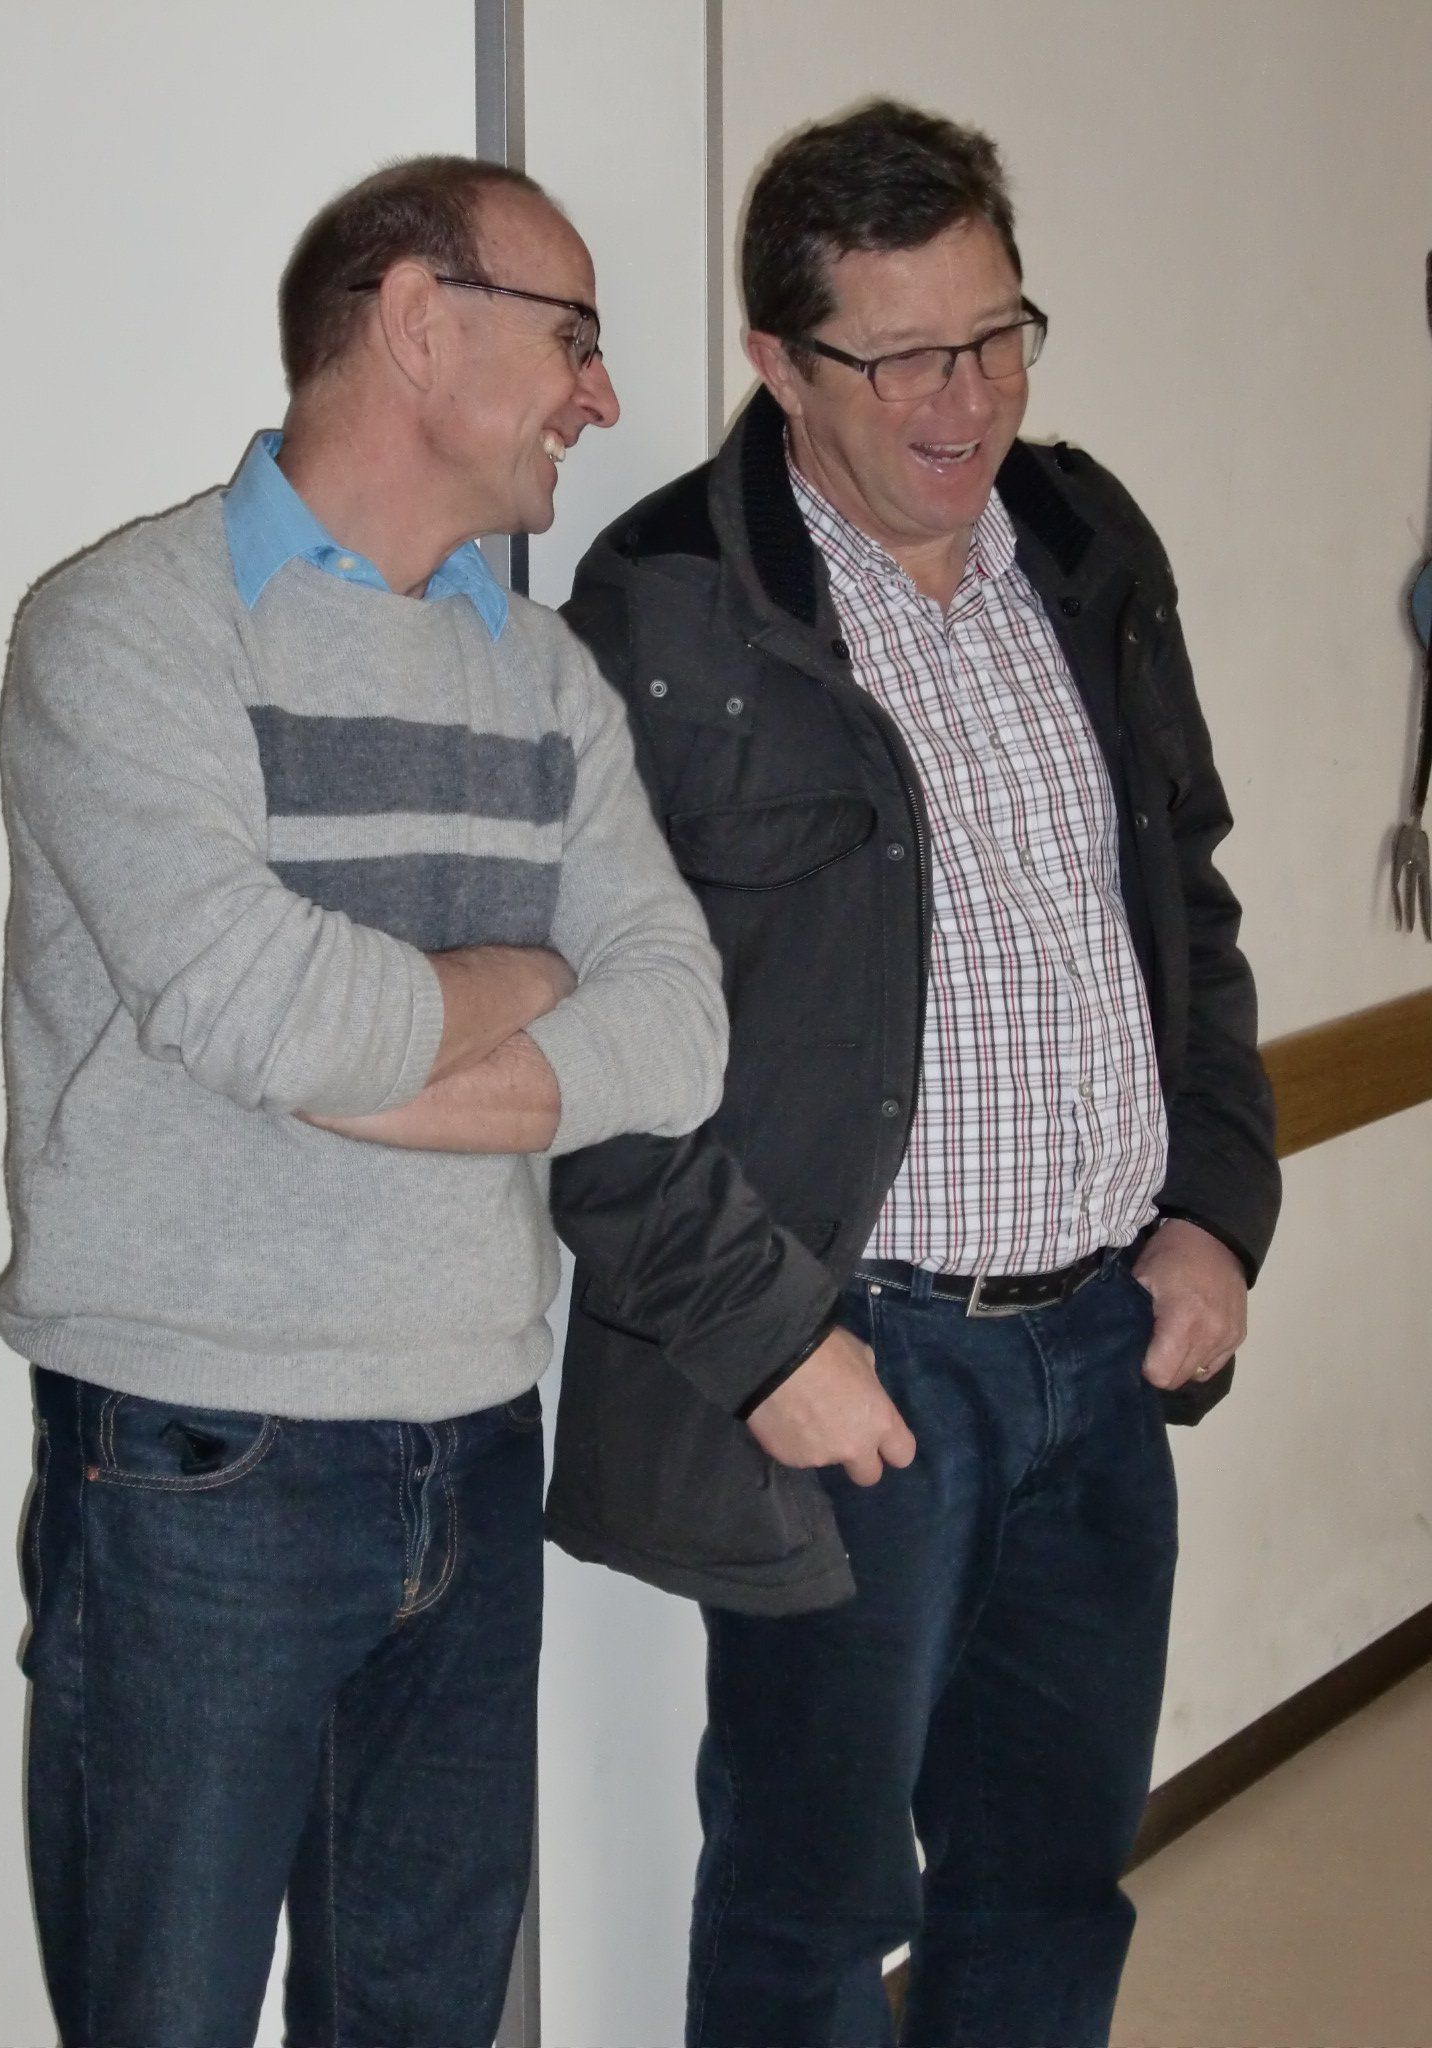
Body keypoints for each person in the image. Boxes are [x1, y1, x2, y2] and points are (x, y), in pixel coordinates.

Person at [549, 101, 1280, 2048]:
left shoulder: (1088, 543)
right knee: (810, 1915)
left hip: (1101, 1354)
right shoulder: (666, 605)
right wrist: (770, 1342)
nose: (968, 403)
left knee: (1050, 1884)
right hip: (861, 1369)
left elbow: (1189, 906)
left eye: (996, 334)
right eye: (901, 358)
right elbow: (587, 1053)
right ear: (780, 364)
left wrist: (1216, 1209)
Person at [0, 154, 726, 2047]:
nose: (599, 395)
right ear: (415, 321)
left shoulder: (542, 674)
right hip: (194, 1463)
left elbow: (681, 1029)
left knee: (423, 2020)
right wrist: (527, 981)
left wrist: (368, 1056)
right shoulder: (125, 630)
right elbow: (266, 1010)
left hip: (475, 1437)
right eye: (572, 338)